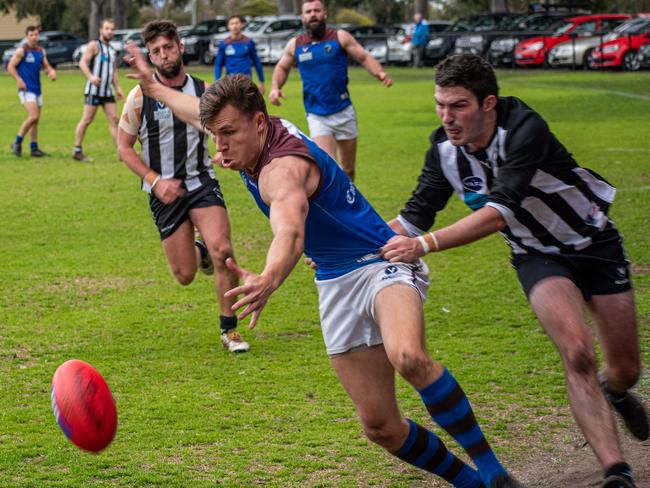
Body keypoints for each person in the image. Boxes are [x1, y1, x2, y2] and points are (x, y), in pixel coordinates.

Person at [125, 42, 525, 488]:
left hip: (380, 261)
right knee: (381, 427)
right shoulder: (248, 135)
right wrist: (152, 87)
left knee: (408, 355)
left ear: (258, 123)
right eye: (213, 133)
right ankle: (469, 483)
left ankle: (492, 472)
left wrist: (270, 277)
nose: (219, 146)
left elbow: (290, 230)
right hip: (336, 282)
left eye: (228, 134)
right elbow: (193, 107)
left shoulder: (282, 168)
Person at [381, 54, 648, 488]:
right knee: (577, 353)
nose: (447, 117)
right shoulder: (444, 152)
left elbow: (499, 211)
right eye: (440, 105)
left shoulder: (525, 128)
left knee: (625, 369)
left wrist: (423, 246)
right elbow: (413, 217)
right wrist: (354, 244)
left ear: (488, 103)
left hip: (595, 243)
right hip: (536, 255)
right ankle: (618, 472)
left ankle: (615, 390)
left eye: (458, 106)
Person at [117, 20, 249, 353]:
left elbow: (221, 131)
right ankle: (199, 251)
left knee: (225, 251)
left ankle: (229, 330)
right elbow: (123, 148)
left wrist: (222, 152)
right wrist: (154, 181)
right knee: (185, 274)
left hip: (201, 182)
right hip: (163, 192)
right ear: (150, 56)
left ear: (181, 47)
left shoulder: (206, 92)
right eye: (156, 51)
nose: (163, 55)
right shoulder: (138, 97)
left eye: (168, 47)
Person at [268, 0, 392, 182]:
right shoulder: (296, 45)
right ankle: (338, 207)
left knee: (348, 170)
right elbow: (282, 68)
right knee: (329, 169)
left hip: (344, 111)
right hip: (317, 115)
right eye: (308, 11)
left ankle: (350, 200)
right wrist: (275, 88)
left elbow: (363, 56)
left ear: (324, 13)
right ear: (303, 17)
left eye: (316, 10)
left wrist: (379, 72)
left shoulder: (339, 37)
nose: (313, 14)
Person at [73, 18, 124, 162]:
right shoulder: (94, 45)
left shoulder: (112, 50)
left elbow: (113, 71)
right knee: (87, 119)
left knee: (115, 119)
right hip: (94, 91)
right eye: (107, 28)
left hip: (107, 92)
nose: (110, 31)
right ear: (101, 30)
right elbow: (82, 62)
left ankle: (122, 153)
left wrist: (118, 88)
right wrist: (91, 77)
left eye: (112, 29)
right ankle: (77, 150)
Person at [8, 25, 56, 158]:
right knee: (33, 116)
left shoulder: (41, 51)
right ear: (26, 36)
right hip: (26, 89)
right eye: (31, 35)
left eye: (36, 35)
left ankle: (34, 148)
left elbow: (46, 66)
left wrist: (51, 72)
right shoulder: (21, 51)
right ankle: (17, 141)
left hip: (37, 89)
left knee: (36, 120)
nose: (34, 37)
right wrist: (19, 80)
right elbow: (10, 66)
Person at [214, 14, 265, 94]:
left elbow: (256, 62)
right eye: (232, 23)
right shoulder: (224, 43)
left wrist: (261, 81)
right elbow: (218, 64)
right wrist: (217, 81)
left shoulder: (249, 42)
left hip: (246, 81)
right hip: (230, 81)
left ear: (242, 25)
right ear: (228, 26)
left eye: (237, 23)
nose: (234, 26)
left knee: (247, 105)